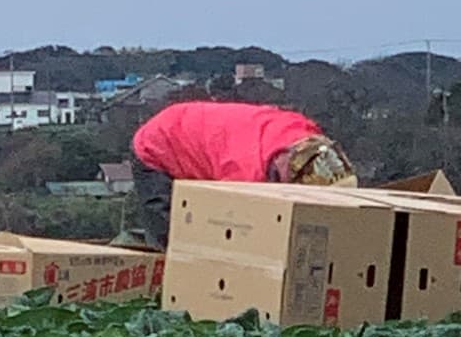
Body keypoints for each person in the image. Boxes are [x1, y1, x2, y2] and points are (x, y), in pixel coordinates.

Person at [130, 100, 355, 249]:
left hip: (197, 133)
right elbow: (235, 224)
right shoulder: (244, 175)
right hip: (160, 145)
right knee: (176, 240)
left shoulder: (305, 135)